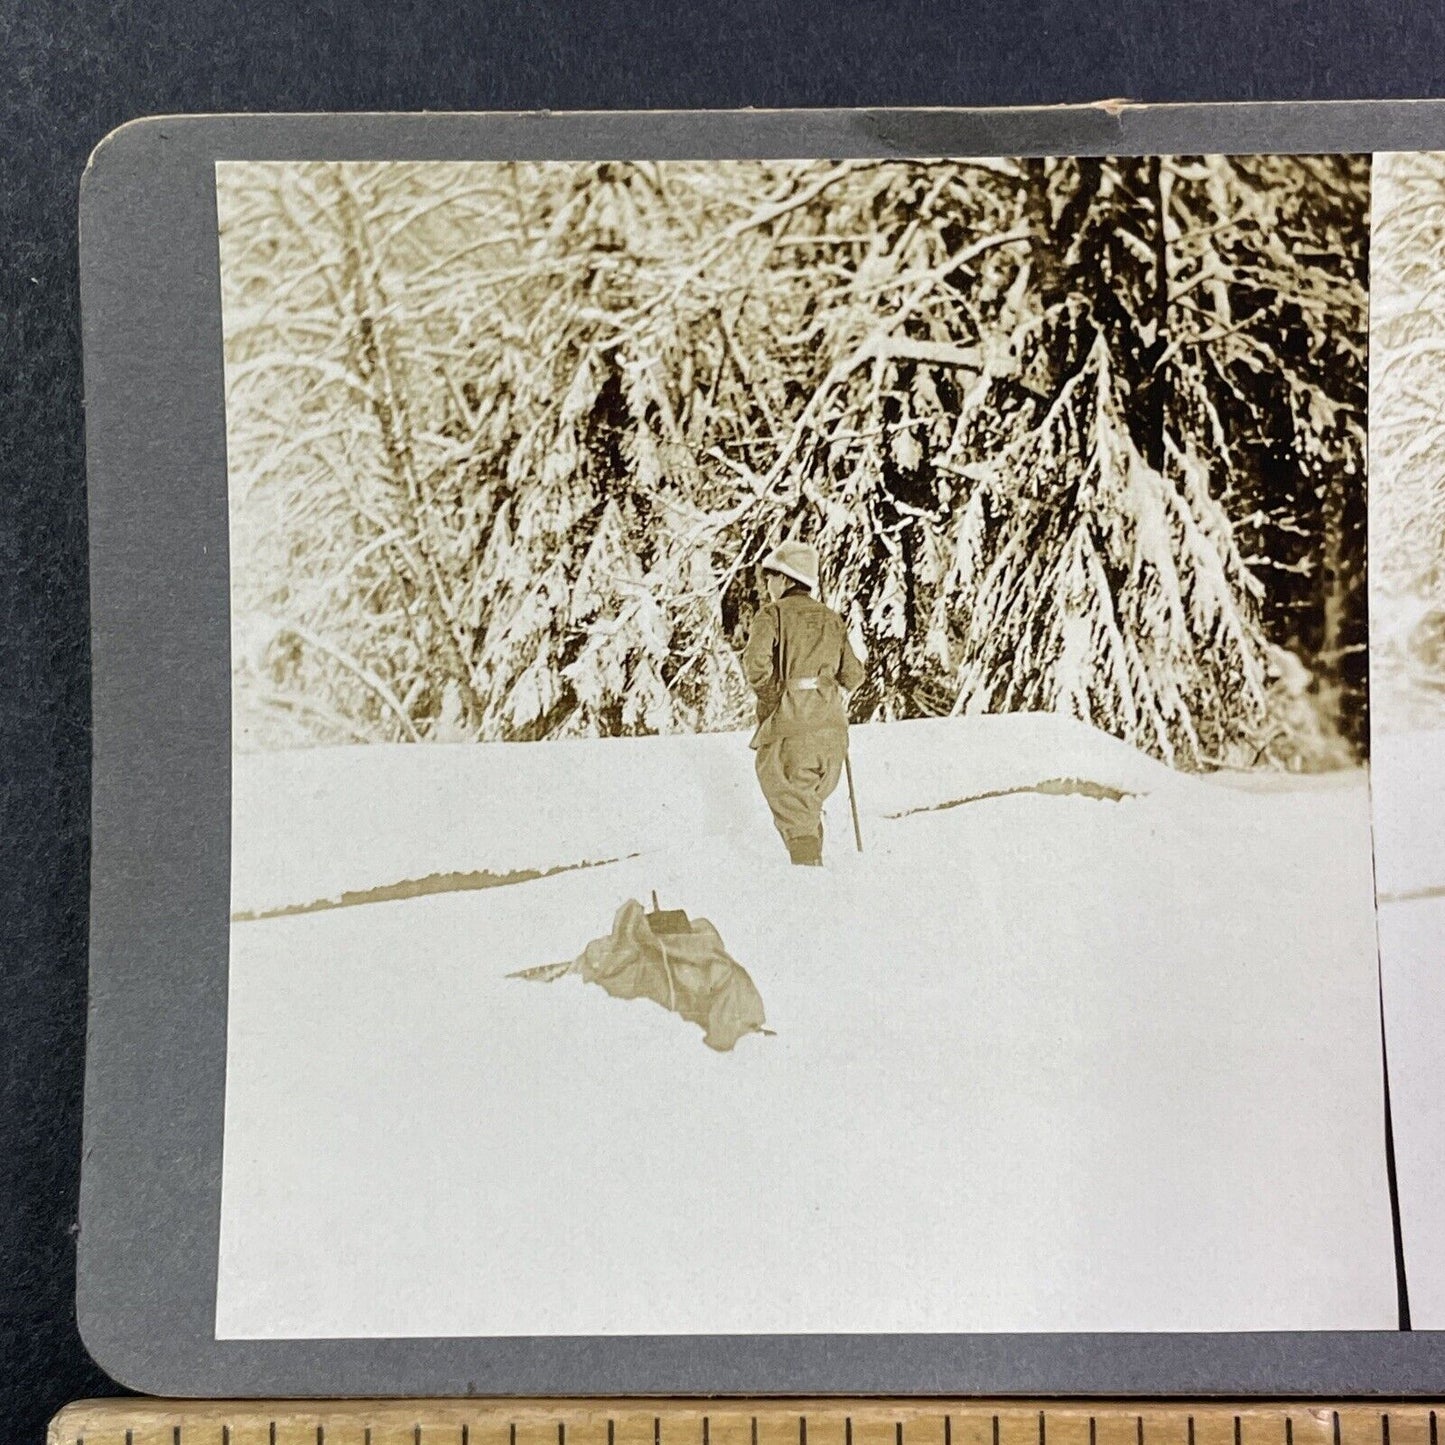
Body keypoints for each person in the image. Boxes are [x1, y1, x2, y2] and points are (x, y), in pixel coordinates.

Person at [742, 541, 866, 866]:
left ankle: (810, 888)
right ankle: (816, 882)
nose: (768, 585)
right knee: (806, 810)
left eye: (771, 577)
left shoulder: (771, 615)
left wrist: (774, 698)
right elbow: (853, 675)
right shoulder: (831, 619)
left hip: (792, 731)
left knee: (795, 815)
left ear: (785, 579)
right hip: (832, 735)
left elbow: (755, 665)